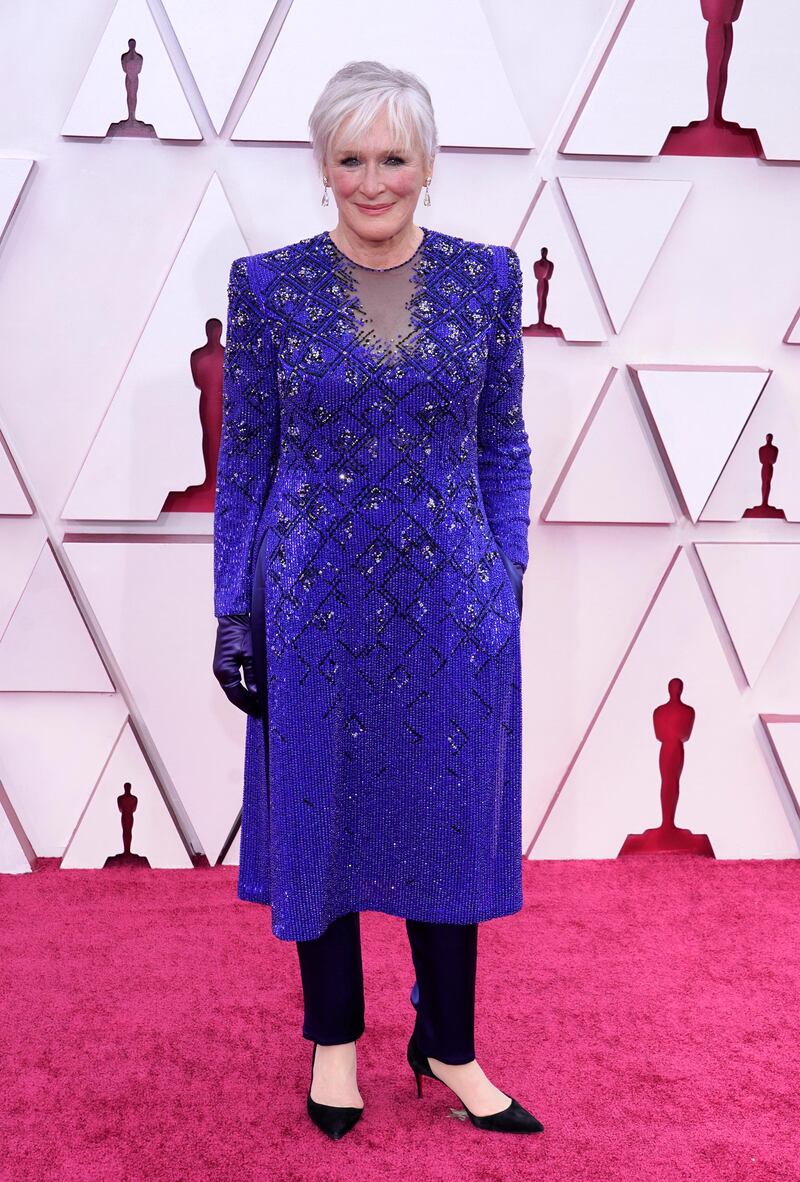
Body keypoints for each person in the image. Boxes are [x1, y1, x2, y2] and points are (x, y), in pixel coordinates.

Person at [212, 59, 541, 1141]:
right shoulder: (265, 287)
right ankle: (336, 1043)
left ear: (426, 165)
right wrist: (234, 610)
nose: (370, 179)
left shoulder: (490, 280)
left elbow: (500, 442)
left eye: (391, 156)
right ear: (322, 167)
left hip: (456, 609)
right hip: (309, 604)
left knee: (451, 824)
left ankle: (447, 1044)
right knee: (324, 818)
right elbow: (247, 459)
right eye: (349, 158)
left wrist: (506, 576)